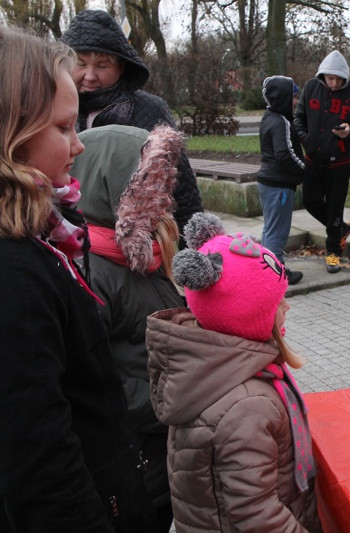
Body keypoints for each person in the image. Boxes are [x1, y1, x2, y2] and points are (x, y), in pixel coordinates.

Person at [0, 25, 156, 531]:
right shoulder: (15, 272)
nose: (79, 147)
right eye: (64, 129)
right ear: (11, 133)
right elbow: (40, 463)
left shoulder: (43, 239)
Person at [146, 212, 321, 532]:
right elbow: (256, 515)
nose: (288, 307)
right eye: (279, 301)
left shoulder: (220, 370)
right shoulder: (245, 406)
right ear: (247, 317)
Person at [71, 124, 186, 532]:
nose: (160, 198)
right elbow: (94, 383)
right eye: (147, 185)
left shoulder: (142, 253)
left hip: (159, 452)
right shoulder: (93, 271)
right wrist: (176, 397)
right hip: (135, 458)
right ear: (115, 188)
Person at [60, 9, 203, 239]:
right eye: (81, 63)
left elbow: (182, 189)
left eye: (102, 65)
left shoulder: (150, 109)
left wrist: (196, 250)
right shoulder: (53, 107)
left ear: (122, 66)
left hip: (135, 246)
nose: (90, 75)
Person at [293, 50, 350, 273]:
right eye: (330, 78)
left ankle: (333, 253)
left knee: (335, 208)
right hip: (313, 158)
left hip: (340, 163)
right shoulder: (311, 87)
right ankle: (341, 230)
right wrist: (306, 140)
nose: (335, 83)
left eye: (339, 79)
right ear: (323, 76)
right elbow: (298, 118)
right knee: (310, 201)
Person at [257, 75, 305, 285]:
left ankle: (267, 270)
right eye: (293, 97)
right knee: (277, 233)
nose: (296, 101)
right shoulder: (281, 122)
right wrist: (305, 170)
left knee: (270, 229)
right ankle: (276, 276)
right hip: (279, 187)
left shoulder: (268, 117)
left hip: (267, 183)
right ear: (283, 97)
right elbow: (284, 154)